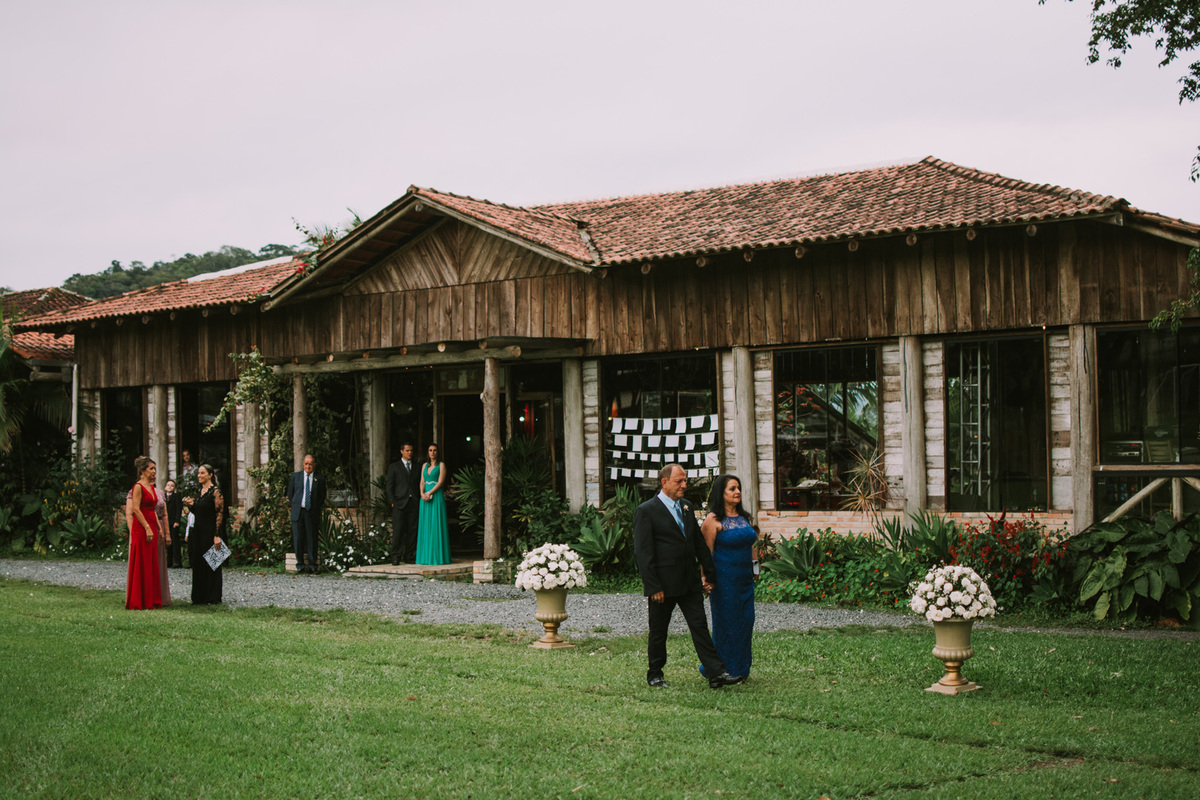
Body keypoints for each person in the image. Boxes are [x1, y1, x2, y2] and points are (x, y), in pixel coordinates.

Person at [633, 463, 740, 689]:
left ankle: (716, 673)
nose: (684, 485)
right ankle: (655, 673)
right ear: (664, 482)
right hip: (663, 585)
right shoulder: (646, 510)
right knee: (659, 631)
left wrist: (709, 574)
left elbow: (698, 544)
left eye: (685, 480)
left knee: (700, 627)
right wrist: (653, 586)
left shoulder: (687, 507)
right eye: (679, 481)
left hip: (689, 582)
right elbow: (644, 553)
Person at [700, 474, 758, 681]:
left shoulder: (744, 518)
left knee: (746, 621)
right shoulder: (713, 520)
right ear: (721, 493)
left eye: (738, 488)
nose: (737, 492)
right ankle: (721, 669)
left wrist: (756, 567)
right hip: (724, 581)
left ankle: (741, 668)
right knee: (727, 624)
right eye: (732, 489)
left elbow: (750, 545)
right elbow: (706, 554)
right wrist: (705, 579)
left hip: (745, 580)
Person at [125, 456, 163, 610]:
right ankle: (139, 599)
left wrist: (159, 528)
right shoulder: (138, 486)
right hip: (141, 527)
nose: (154, 471)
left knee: (151, 561)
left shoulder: (151, 487)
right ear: (143, 470)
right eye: (151, 469)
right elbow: (135, 508)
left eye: (154, 469)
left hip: (152, 524)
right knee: (142, 560)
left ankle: (151, 599)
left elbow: (152, 509)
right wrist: (147, 527)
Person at [187, 464, 225, 605]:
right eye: (198, 473)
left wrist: (217, 535)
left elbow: (219, 514)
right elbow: (199, 512)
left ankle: (213, 597)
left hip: (210, 532)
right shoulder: (200, 492)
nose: (199, 476)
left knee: (212, 564)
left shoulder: (215, 492)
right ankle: (199, 597)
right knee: (199, 563)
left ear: (210, 475)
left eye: (202, 473)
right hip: (198, 532)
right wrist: (190, 506)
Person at [287, 454, 325, 573]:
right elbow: (290, 494)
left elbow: (322, 496)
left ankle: (313, 565)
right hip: (298, 512)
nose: (308, 466)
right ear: (303, 464)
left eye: (310, 464)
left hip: (311, 512)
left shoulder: (319, 479)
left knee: (312, 539)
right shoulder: (296, 477)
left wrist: (314, 506)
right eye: (306, 464)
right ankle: (300, 565)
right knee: (298, 539)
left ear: (314, 465)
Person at [385, 442, 421, 565]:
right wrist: (392, 501)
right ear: (402, 451)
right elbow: (389, 486)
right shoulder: (394, 467)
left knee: (412, 530)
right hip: (399, 503)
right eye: (407, 450)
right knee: (398, 530)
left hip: (413, 503)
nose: (410, 453)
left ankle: (409, 556)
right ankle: (395, 556)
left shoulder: (417, 467)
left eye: (411, 450)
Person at [414, 443, 450, 565]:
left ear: (437, 452)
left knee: (436, 524)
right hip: (424, 498)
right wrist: (422, 493)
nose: (432, 452)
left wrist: (429, 492)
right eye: (430, 450)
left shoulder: (441, 465)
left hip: (436, 496)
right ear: (428, 452)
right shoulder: (424, 465)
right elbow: (422, 481)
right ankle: (424, 557)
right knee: (425, 525)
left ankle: (437, 557)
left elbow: (440, 482)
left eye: (434, 450)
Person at [164, 479, 184, 568]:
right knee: (168, 542)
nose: (169, 487)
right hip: (166, 522)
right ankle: (169, 561)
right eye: (168, 485)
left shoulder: (176, 496)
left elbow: (178, 509)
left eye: (172, 486)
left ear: (174, 488)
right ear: (165, 487)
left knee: (175, 542)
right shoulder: (163, 497)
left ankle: (177, 561)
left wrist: (177, 521)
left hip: (173, 522)